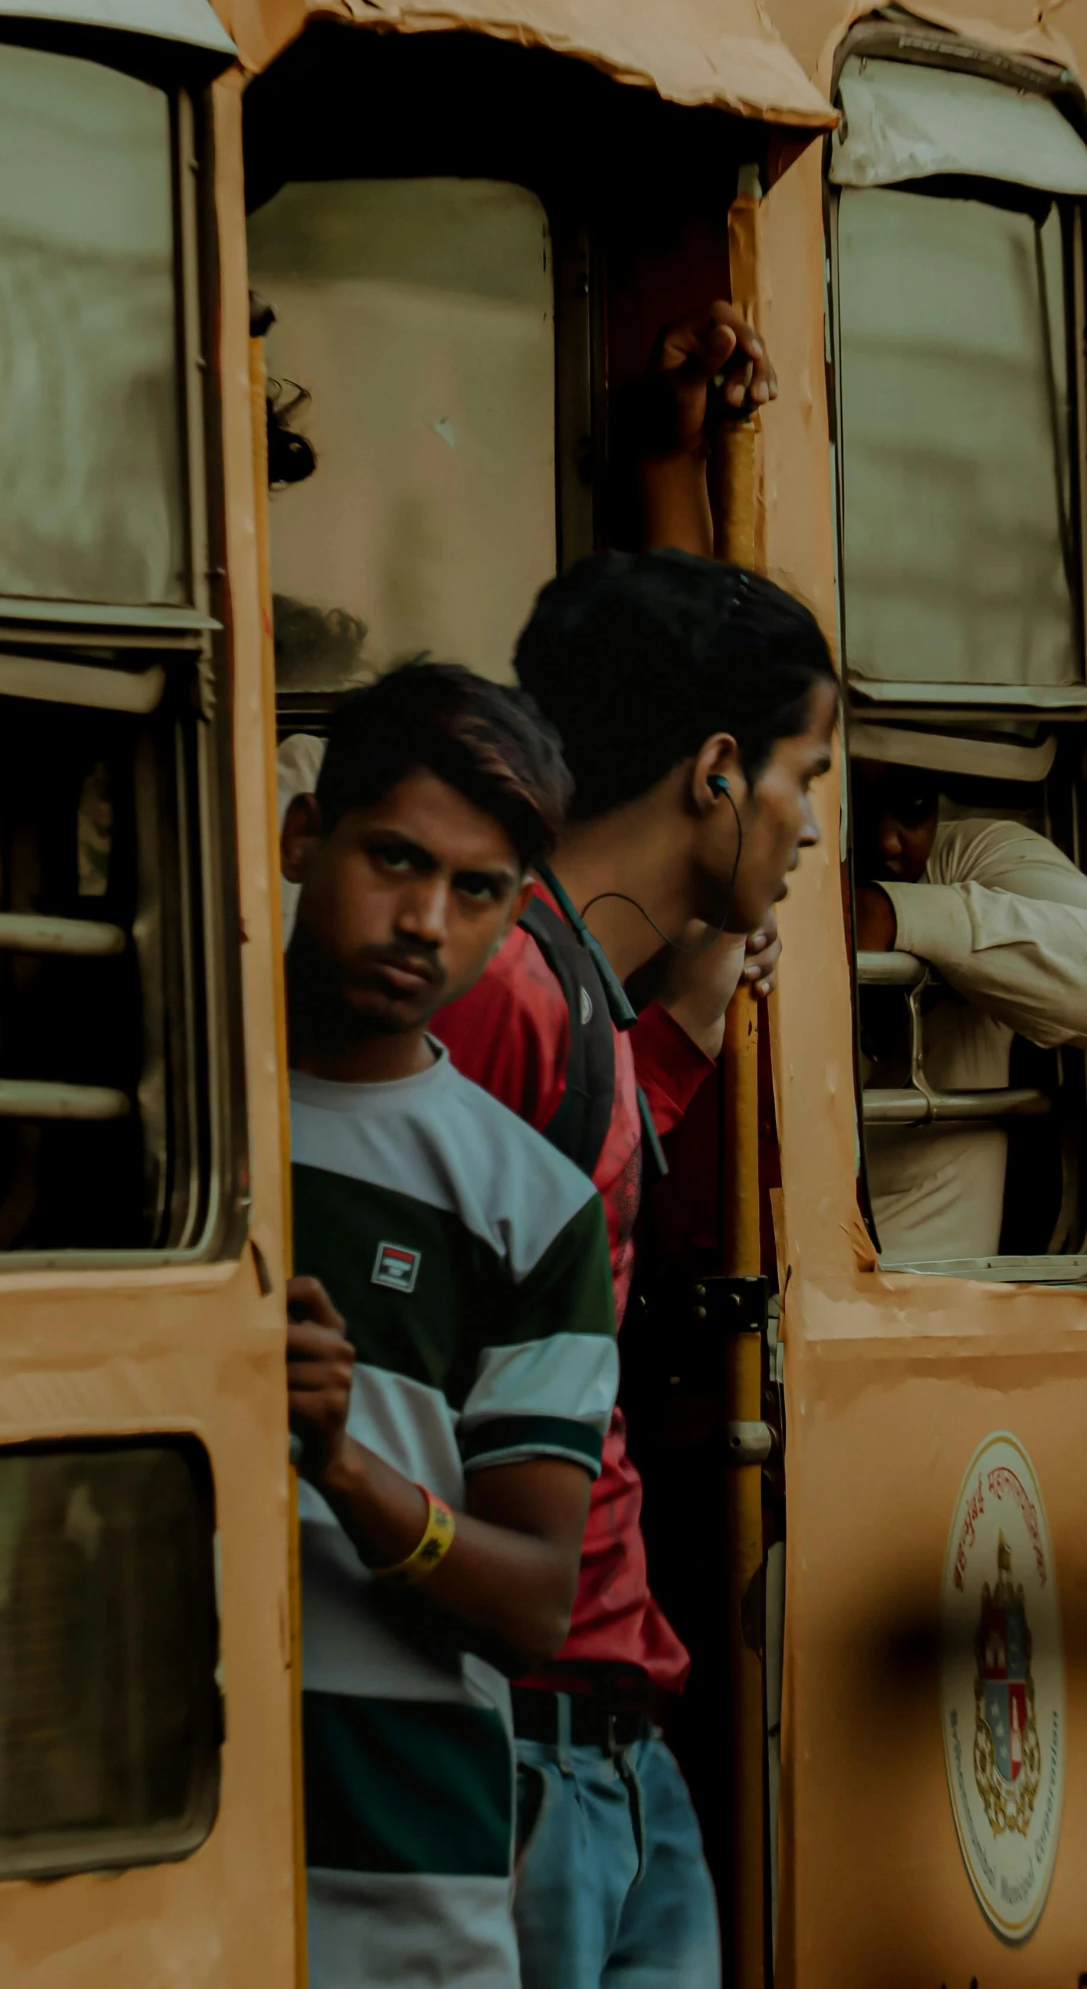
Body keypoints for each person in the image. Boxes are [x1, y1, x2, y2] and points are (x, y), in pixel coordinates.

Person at [432, 549, 839, 1989]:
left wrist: (693, 994)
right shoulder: (504, 992)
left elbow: (567, 1206)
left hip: (609, 1729)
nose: (805, 829)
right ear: (716, 769)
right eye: (804, 773)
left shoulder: (576, 988)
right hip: (522, 1742)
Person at [281, 661, 618, 1989]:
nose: (422, 919)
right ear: (306, 838)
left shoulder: (529, 1205)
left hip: (404, 1905)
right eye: (393, 859)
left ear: (512, 915)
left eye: (473, 891)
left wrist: (344, 1464)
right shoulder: (168, 1118)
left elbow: (537, 1601)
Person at [852, 729, 1087, 1261]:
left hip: (953, 1308)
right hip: (794, 1285)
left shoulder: (968, 857)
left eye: (912, 805)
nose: (887, 842)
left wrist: (901, 916)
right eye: (858, 807)